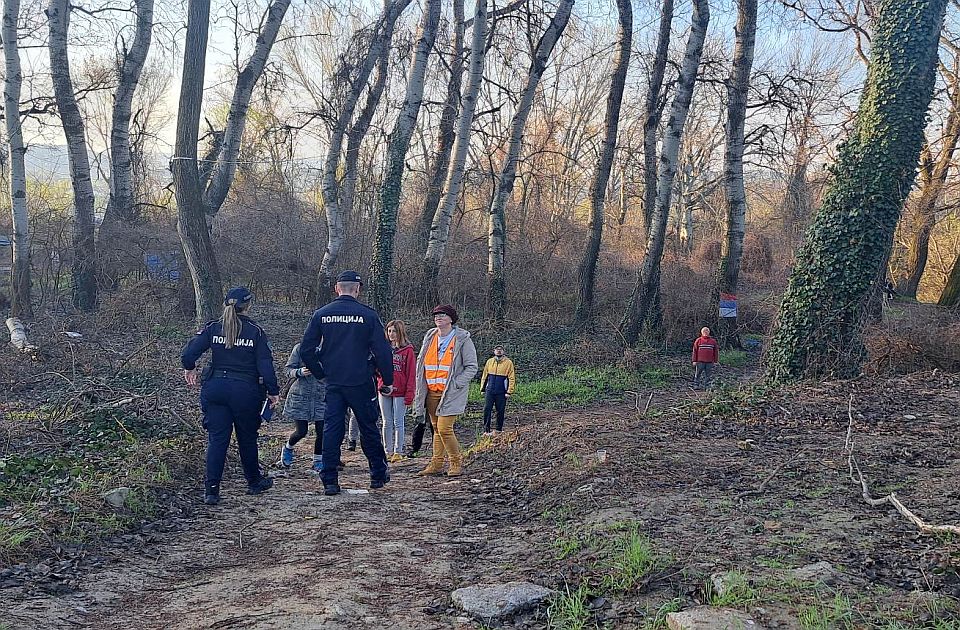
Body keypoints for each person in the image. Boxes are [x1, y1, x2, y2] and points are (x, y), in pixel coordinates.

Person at [299, 271, 393, 496]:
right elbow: (383, 352)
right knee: (368, 427)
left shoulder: (322, 314)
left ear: (336, 288)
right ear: (357, 289)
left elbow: (306, 350)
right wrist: (387, 380)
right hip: (361, 380)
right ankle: (377, 475)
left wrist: (321, 373)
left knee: (332, 429)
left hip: (333, 382)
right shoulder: (368, 315)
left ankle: (330, 480)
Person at [181, 287, 277, 505]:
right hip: (245, 391)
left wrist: (190, 368)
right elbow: (265, 365)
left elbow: (189, 354)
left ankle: (211, 491)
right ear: (248, 305)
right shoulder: (255, 331)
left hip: (215, 389)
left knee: (217, 440)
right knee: (247, 438)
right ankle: (254, 482)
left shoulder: (213, 328)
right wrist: (273, 391)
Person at [412, 304, 478, 477]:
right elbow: (421, 363)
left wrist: (456, 383)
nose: (438, 317)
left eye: (442, 315)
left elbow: (471, 367)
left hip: (450, 393)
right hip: (431, 392)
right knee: (435, 427)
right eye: (436, 315)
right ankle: (436, 463)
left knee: (444, 428)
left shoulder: (462, 339)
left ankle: (456, 462)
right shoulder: (430, 336)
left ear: (451, 319)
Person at [276, 343, 325, 474]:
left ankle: (318, 461)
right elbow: (288, 370)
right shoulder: (300, 348)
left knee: (323, 431)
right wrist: (299, 372)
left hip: (322, 395)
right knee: (301, 431)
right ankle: (288, 448)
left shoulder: (333, 347)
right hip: (301, 395)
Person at [378, 320, 416, 462]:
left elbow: (411, 374)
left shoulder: (408, 351)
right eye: (389, 331)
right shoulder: (383, 348)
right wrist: (381, 383)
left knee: (398, 422)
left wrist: (409, 394)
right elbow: (377, 368)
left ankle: (398, 451)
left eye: (394, 331)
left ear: (400, 332)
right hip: (385, 389)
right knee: (386, 421)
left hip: (401, 390)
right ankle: (387, 450)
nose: (391, 334)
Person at [480, 344, 516, 435]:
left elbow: (511, 377)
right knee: (487, 409)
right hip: (490, 390)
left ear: (503, 351)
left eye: (500, 349)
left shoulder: (508, 363)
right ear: (494, 351)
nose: (499, 351)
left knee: (500, 410)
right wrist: (482, 388)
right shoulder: (489, 361)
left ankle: (498, 429)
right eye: (497, 349)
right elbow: (485, 375)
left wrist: (509, 391)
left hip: (501, 391)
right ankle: (486, 430)